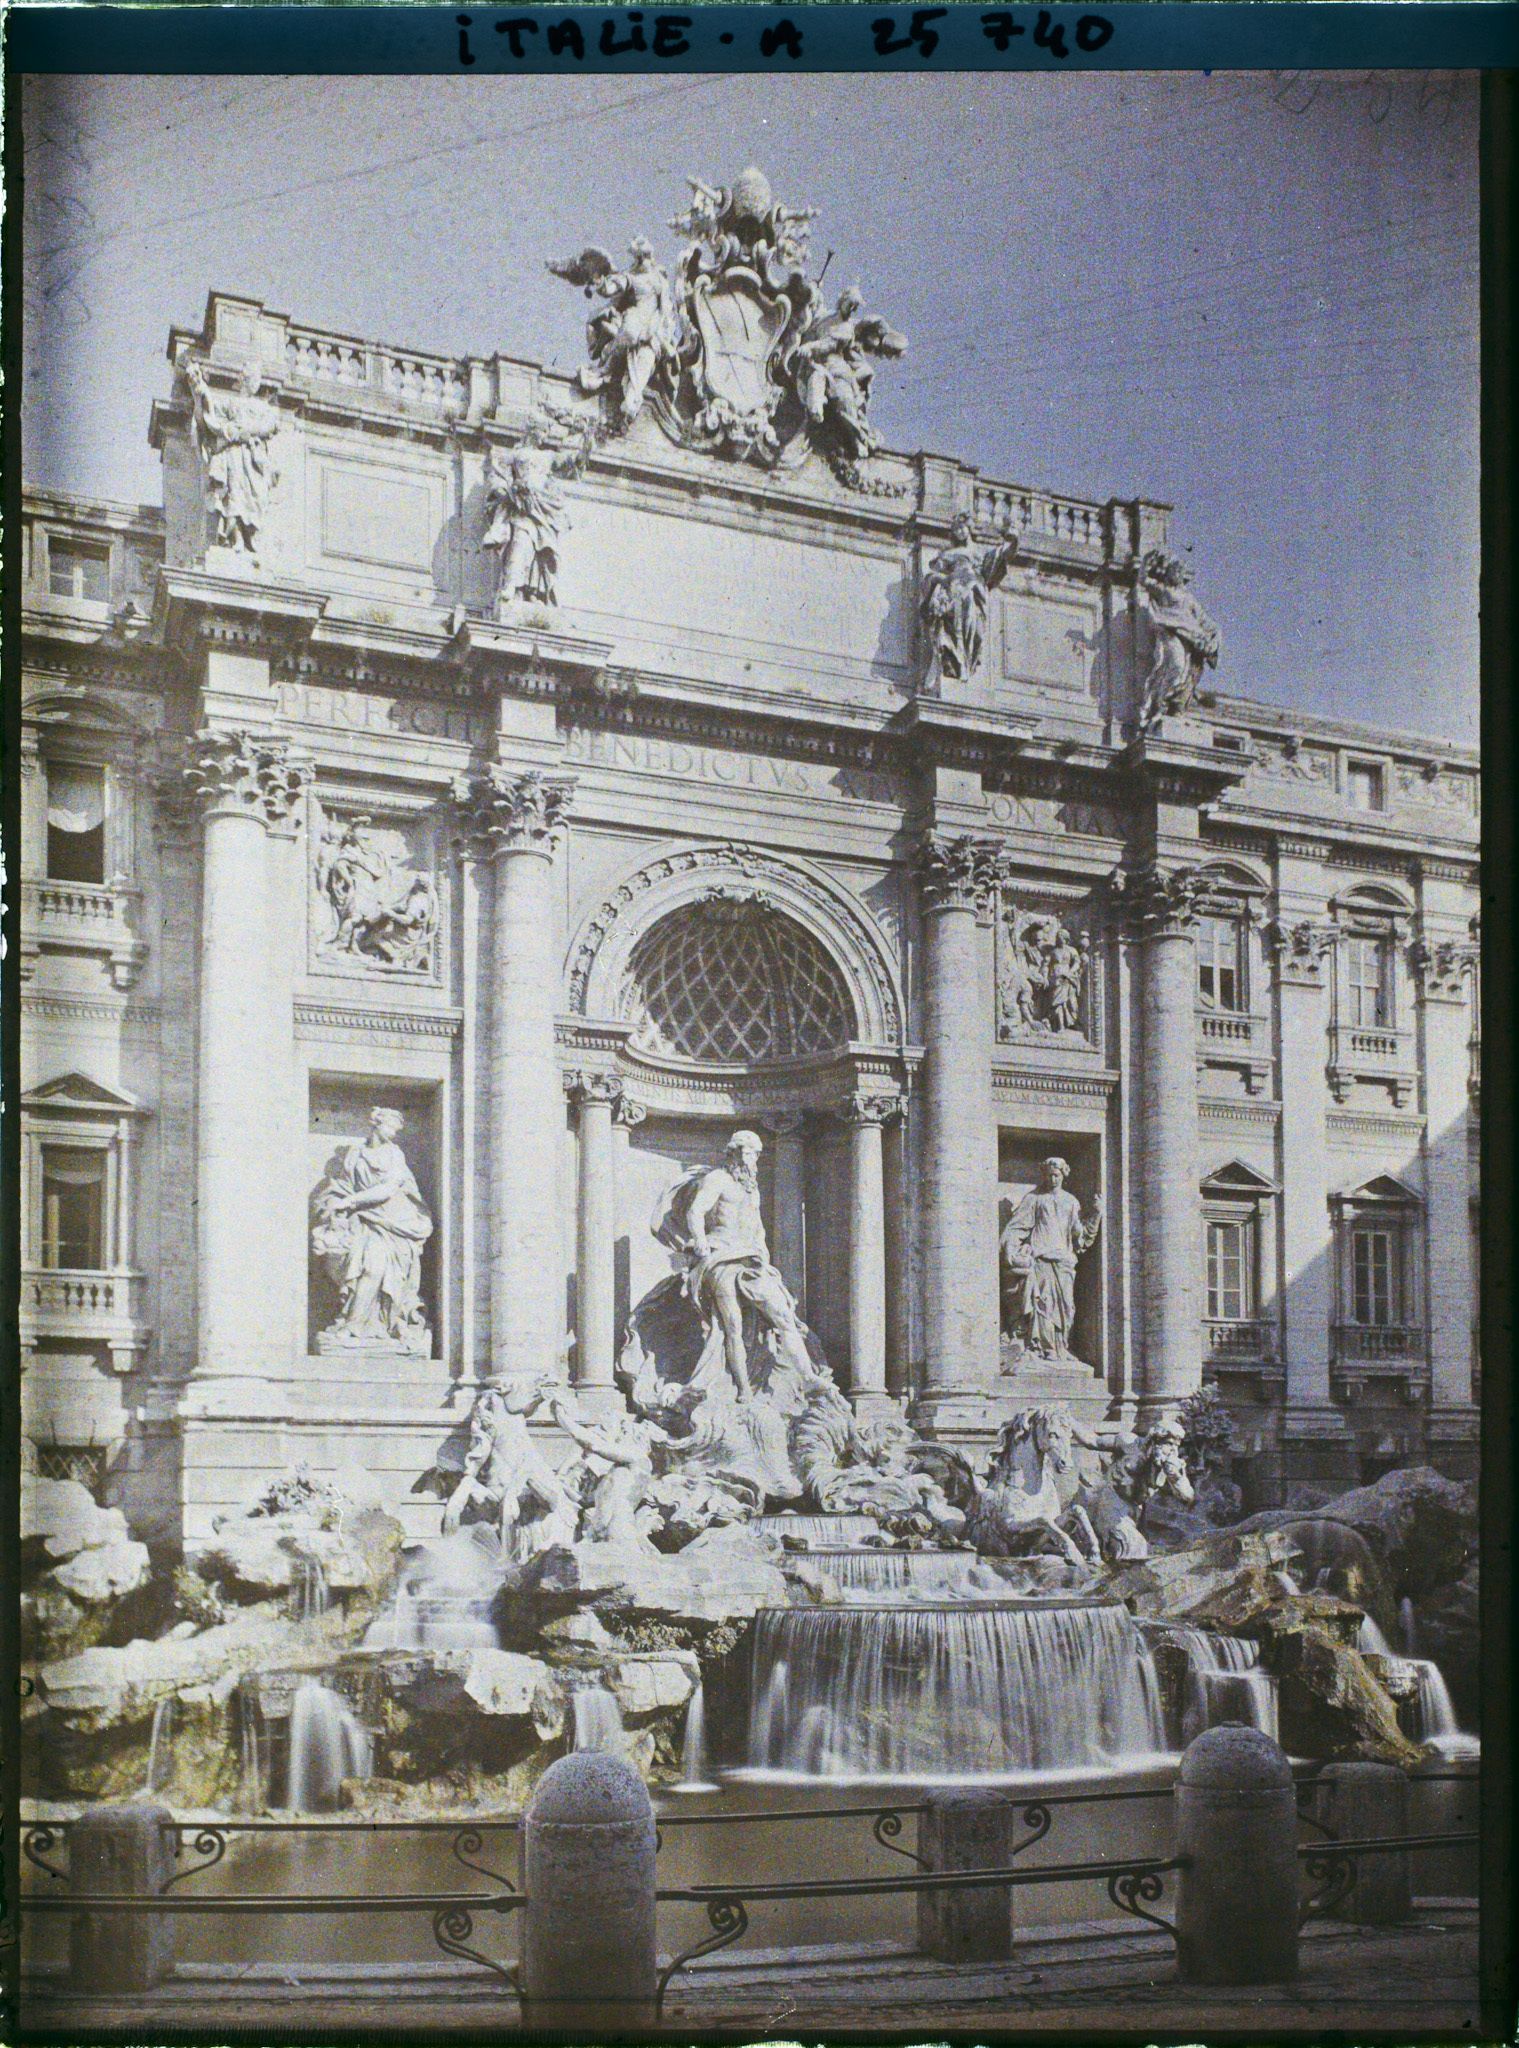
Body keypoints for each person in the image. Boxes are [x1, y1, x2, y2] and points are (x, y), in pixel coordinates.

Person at [661, 1129, 816, 1400]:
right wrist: (699, 1240)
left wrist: (766, 1263)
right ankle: (743, 1390)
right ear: (736, 1153)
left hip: (751, 1259)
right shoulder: (717, 1179)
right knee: (732, 1325)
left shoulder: (751, 1189)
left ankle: (809, 1378)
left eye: (757, 1154)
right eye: (750, 1152)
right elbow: (695, 1211)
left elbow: (758, 1231)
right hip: (720, 1256)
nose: (754, 1159)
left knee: (783, 1314)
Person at [311, 1108, 434, 1347]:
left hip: (393, 1223)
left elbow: (388, 1189)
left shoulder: (395, 1154)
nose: (393, 1134)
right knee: (362, 1269)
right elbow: (341, 1186)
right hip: (362, 1221)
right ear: (376, 1125)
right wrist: (338, 1205)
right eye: (390, 1128)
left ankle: (356, 1327)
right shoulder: (355, 1154)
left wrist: (351, 1201)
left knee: (375, 1269)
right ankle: (357, 1324)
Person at [1000, 1157, 1102, 1362]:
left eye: (1056, 1175)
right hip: (1041, 1259)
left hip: (1064, 1260)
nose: (1052, 1179)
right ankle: (1045, 1349)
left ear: (1063, 1175)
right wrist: (1010, 1247)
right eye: (1048, 1176)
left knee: (1066, 1307)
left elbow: (1080, 1236)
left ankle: (1061, 1347)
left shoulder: (1071, 1201)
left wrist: (1097, 1214)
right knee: (1044, 1305)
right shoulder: (1034, 1199)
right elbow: (1017, 1227)